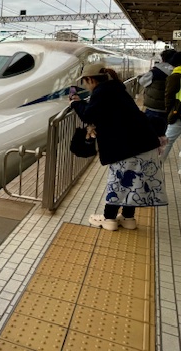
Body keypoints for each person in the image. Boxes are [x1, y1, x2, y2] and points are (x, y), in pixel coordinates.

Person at [70, 63, 167, 231]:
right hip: (144, 143)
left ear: (90, 79)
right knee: (133, 183)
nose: (85, 86)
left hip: (127, 147)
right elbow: (104, 113)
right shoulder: (116, 89)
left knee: (118, 183)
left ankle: (109, 219)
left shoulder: (102, 92)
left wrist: (75, 103)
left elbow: (88, 114)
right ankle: (128, 218)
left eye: (84, 82)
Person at [139, 48, 175, 125]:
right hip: (170, 108)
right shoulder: (176, 72)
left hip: (154, 108)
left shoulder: (155, 72)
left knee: (150, 129)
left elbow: (142, 82)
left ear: (163, 59)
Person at [162, 52, 181, 161]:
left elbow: (168, 97)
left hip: (178, 114)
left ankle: (157, 165)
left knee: (167, 141)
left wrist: (169, 112)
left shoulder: (175, 76)